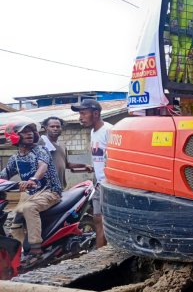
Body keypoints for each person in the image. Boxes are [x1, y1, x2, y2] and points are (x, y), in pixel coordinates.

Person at [0, 117, 62, 255]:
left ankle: (36, 249)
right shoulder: (15, 159)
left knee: (29, 208)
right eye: (25, 131)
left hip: (50, 191)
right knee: (14, 225)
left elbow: (43, 166)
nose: (29, 134)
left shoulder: (40, 150)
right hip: (31, 194)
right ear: (14, 136)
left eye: (31, 131)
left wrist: (33, 179)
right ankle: (19, 253)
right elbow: (4, 175)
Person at [71, 99, 113, 248]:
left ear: (95, 113)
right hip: (99, 182)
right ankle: (100, 252)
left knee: (102, 219)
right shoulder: (92, 132)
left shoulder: (109, 130)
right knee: (97, 219)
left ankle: (102, 253)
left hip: (109, 183)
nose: (80, 117)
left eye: (83, 113)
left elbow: (115, 157)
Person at [39, 117, 92, 189]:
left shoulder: (62, 146)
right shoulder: (42, 142)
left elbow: (67, 165)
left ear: (61, 128)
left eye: (58, 126)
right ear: (45, 128)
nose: (55, 128)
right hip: (45, 188)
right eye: (52, 126)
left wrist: (84, 165)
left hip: (59, 187)